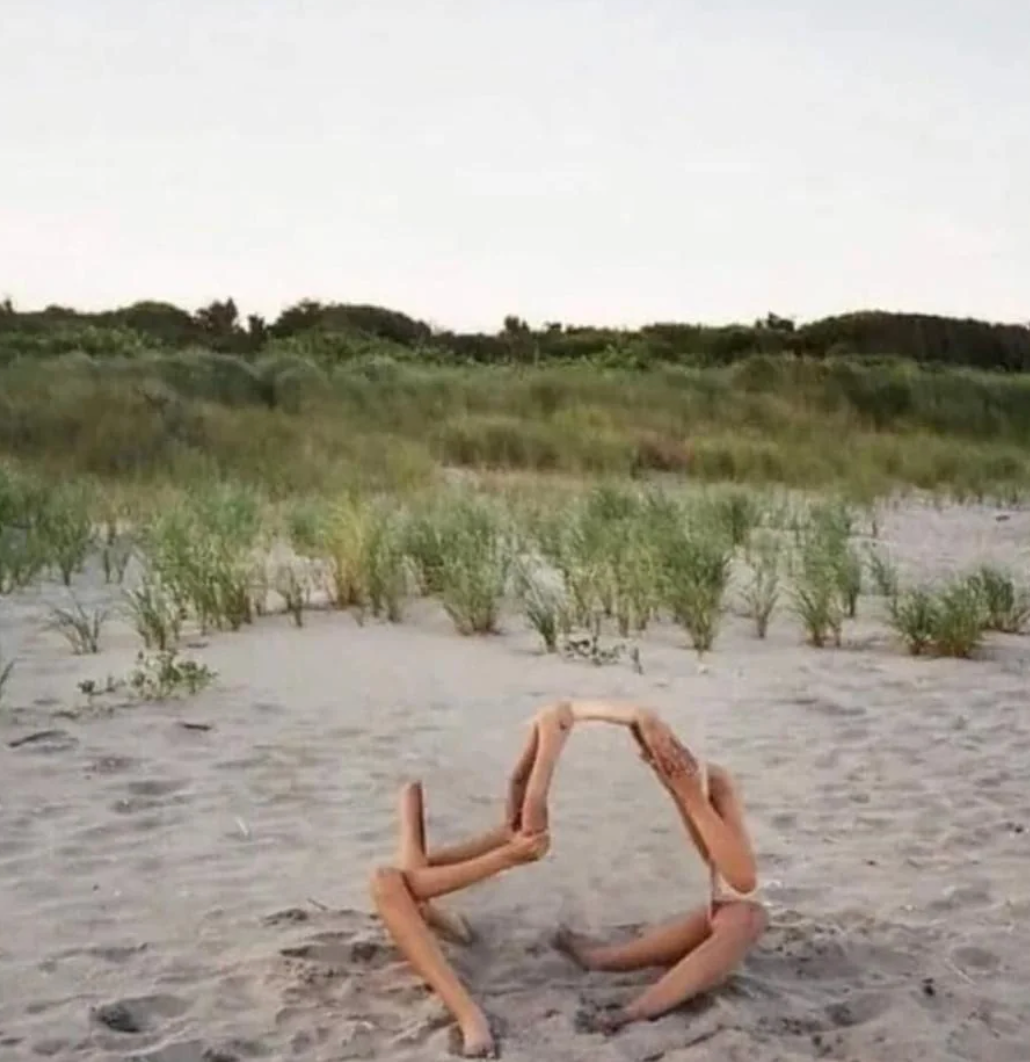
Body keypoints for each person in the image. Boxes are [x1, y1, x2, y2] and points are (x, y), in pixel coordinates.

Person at [554, 709, 766, 1033]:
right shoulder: (693, 782)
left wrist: (686, 791)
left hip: (737, 906)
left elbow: (741, 878)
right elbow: (719, 866)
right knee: (606, 959)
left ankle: (634, 1010)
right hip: (727, 903)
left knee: (744, 917)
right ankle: (602, 964)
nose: (654, 760)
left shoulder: (709, 782)